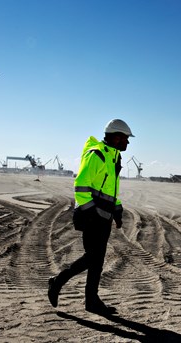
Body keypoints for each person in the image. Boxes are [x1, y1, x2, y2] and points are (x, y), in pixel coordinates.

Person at [47, 118, 134, 315]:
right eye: (126, 139)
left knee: (97, 260)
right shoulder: (97, 155)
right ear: (117, 137)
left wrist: (117, 210)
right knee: (93, 257)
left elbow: (110, 189)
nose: (127, 143)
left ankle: (91, 301)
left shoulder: (114, 157)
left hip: (104, 216)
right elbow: (81, 187)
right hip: (91, 216)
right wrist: (92, 212)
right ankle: (58, 282)